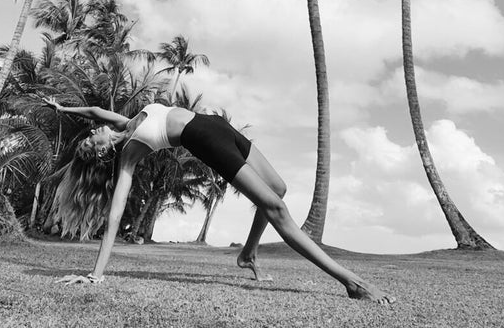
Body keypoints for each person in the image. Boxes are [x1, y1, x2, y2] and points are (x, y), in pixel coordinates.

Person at [45, 98, 395, 304]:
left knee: (279, 187)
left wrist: (62, 107)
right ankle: (353, 283)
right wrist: (95, 276)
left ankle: (249, 253)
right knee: (277, 208)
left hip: (216, 125)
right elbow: (114, 216)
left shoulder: (125, 121)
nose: (94, 132)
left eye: (91, 134)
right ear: (104, 152)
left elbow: (92, 111)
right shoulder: (129, 156)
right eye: (93, 140)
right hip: (201, 138)